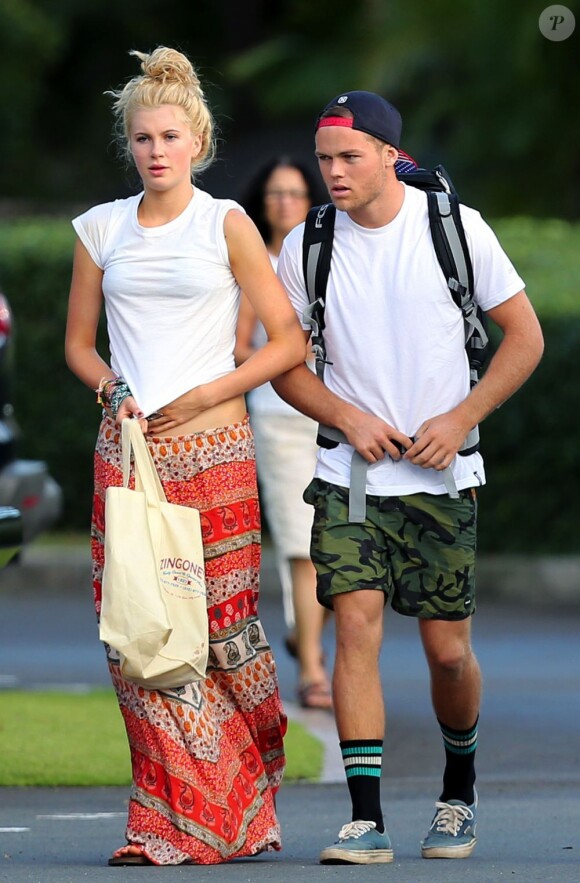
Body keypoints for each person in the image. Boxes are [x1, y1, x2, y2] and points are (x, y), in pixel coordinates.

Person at [273, 91, 544, 864]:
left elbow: (524, 338)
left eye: (348, 157)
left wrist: (460, 418)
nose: (333, 173)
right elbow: (282, 362)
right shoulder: (307, 243)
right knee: (355, 623)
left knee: (447, 653)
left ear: (391, 155)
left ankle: (458, 791)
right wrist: (346, 415)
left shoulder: (454, 228)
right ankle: (366, 818)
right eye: (324, 158)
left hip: (444, 477)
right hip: (348, 474)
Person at [64, 46, 306, 867]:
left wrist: (209, 393)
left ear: (196, 141)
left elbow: (288, 341)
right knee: (140, 634)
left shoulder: (226, 223)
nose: (155, 150)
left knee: (222, 634)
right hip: (130, 456)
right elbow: (78, 345)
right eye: (141, 138)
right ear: (128, 145)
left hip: (218, 448)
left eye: (169, 135)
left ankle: (248, 797)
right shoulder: (99, 229)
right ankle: (166, 822)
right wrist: (112, 390)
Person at [235, 157, 332, 710]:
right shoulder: (256, 263)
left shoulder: (331, 255)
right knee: (301, 543)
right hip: (279, 419)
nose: (285, 202)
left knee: (336, 541)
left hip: (339, 416)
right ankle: (314, 669)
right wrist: (288, 355)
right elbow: (239, 345)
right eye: (275, 193)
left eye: (295, 192)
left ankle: (307, 631)